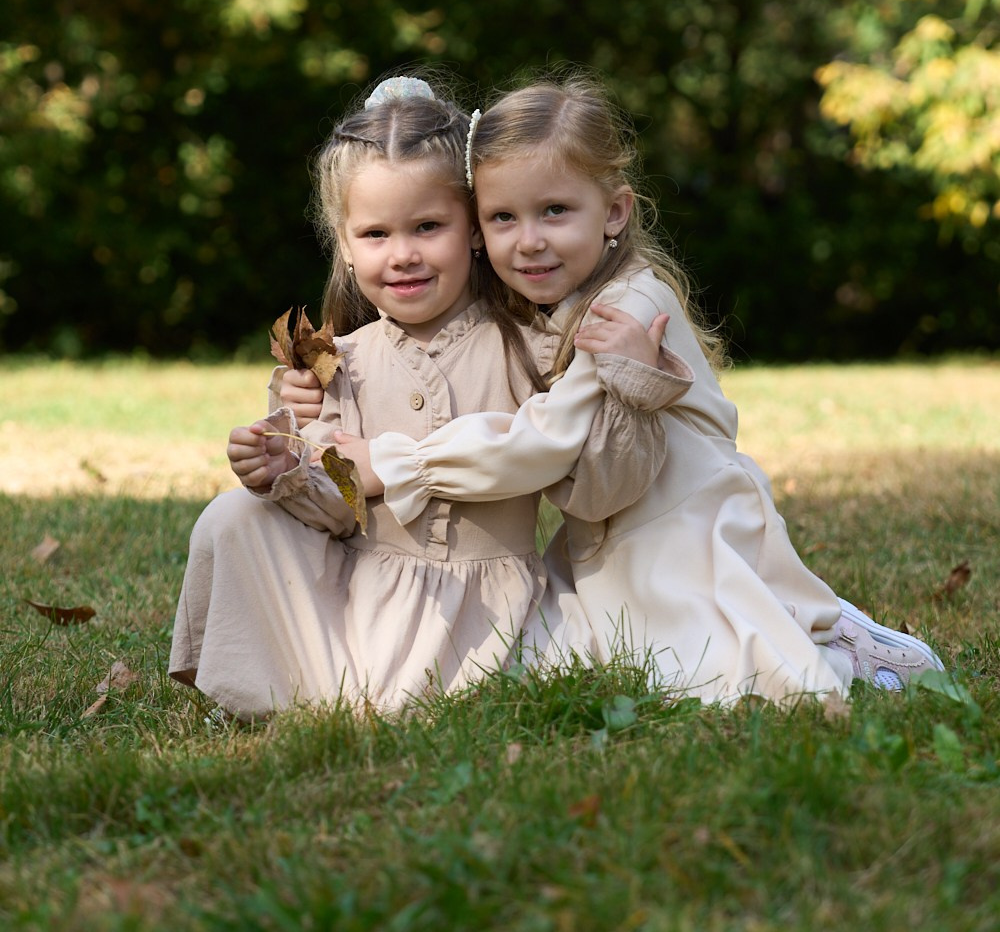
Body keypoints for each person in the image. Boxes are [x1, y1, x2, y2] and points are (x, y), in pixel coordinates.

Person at [322, 75, 943, 706]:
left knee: (719, 679)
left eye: (555, 211)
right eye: (503, 217)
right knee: (549, 665)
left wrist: (399, 463)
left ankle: (846, 650)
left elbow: (543, 441)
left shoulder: (625, 309)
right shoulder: (553, 308)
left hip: (683, 528)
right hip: (607, 534)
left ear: (615, 211)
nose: (529, 239)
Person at [169, 78, 686, 719]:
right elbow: (337, 509)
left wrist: (629, 392)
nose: (404, 255)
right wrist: (286, 473)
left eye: (428, 226)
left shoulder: (532, 347)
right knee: (233, 518)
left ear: (471, 228)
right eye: (377, 234)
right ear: (346, 245)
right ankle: (300, 684)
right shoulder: (341, 363)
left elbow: (598, 490)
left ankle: (363, 696)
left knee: (406, 701)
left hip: (486, 613)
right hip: (363, 597)